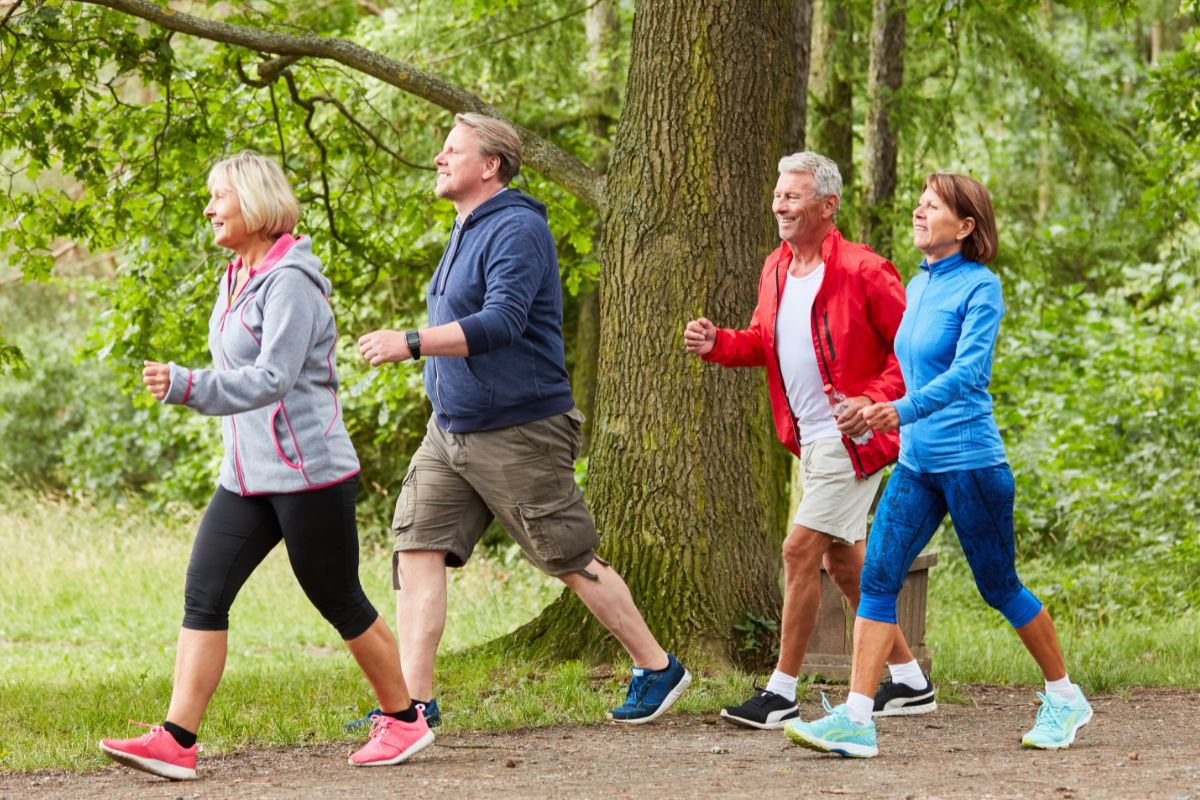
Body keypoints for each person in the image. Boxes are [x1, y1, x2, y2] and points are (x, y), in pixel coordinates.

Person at [98, 152, 432, 781]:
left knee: (338, 597)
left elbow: (274, 377)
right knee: (205, 591)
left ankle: (405, 720)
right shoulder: (237, 276)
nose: (209, 208)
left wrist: (188, 385)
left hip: (309, 473)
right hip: (247, 477)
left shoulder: (291, 282)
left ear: (253, 203)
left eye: (218, 196)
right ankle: (176, 739)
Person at [355, 113, 691, 725]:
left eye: (452, 149)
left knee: (568, 556)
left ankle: (657, 665)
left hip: (518, 430)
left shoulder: (516, 228)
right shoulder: (465, 227)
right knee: (416, 548)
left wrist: (411, 341)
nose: (439, 157)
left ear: (490, 166)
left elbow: (503, 322)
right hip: (450, 428)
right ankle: (412, 707)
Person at [786, 173, 1092, 758]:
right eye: (920, 204)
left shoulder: (981, 288)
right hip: (917, 463)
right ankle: (856, 719)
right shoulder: (920, 285)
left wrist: (897, 411)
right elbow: (907, 368)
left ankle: (1065, 695)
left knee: (998, 585)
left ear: (966, 226)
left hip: (971, 462)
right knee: (877, 577)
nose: (920, 212)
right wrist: (869, 405)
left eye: (933, 206)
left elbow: (969, 375)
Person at [684, 152, 934, 730]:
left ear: (827, 206)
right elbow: (762, 341)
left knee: (798, 551)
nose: (779, 205)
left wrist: (874, 404)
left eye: (793, 197)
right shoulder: (774, 267)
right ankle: (911, 682)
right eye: (778, 195)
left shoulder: (866, 270)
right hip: (810, 442)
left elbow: (914, 353)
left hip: (855, 441)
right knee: (846, 566)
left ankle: (781, 691)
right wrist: (718, 342)